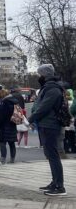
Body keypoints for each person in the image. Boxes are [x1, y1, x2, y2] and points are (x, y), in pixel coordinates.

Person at [29, 64, 68, 196]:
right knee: (51, 155)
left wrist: (31, 118)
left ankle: (59, 186)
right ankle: (55, 182)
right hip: (47, 124)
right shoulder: (50, 87)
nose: (39, 77)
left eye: (40, 74)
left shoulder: (52, 88)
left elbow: (44, 107)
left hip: (50, 125)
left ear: (45, 75)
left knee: (53, 155)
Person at [0, 89, 19, 164]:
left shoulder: (5, 102)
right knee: (12, 143)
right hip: (13, 124)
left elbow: (3, 115)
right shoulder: (15, 101)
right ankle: (12, 159)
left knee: (2, 142)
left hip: (4, 125)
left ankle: (3, 159)